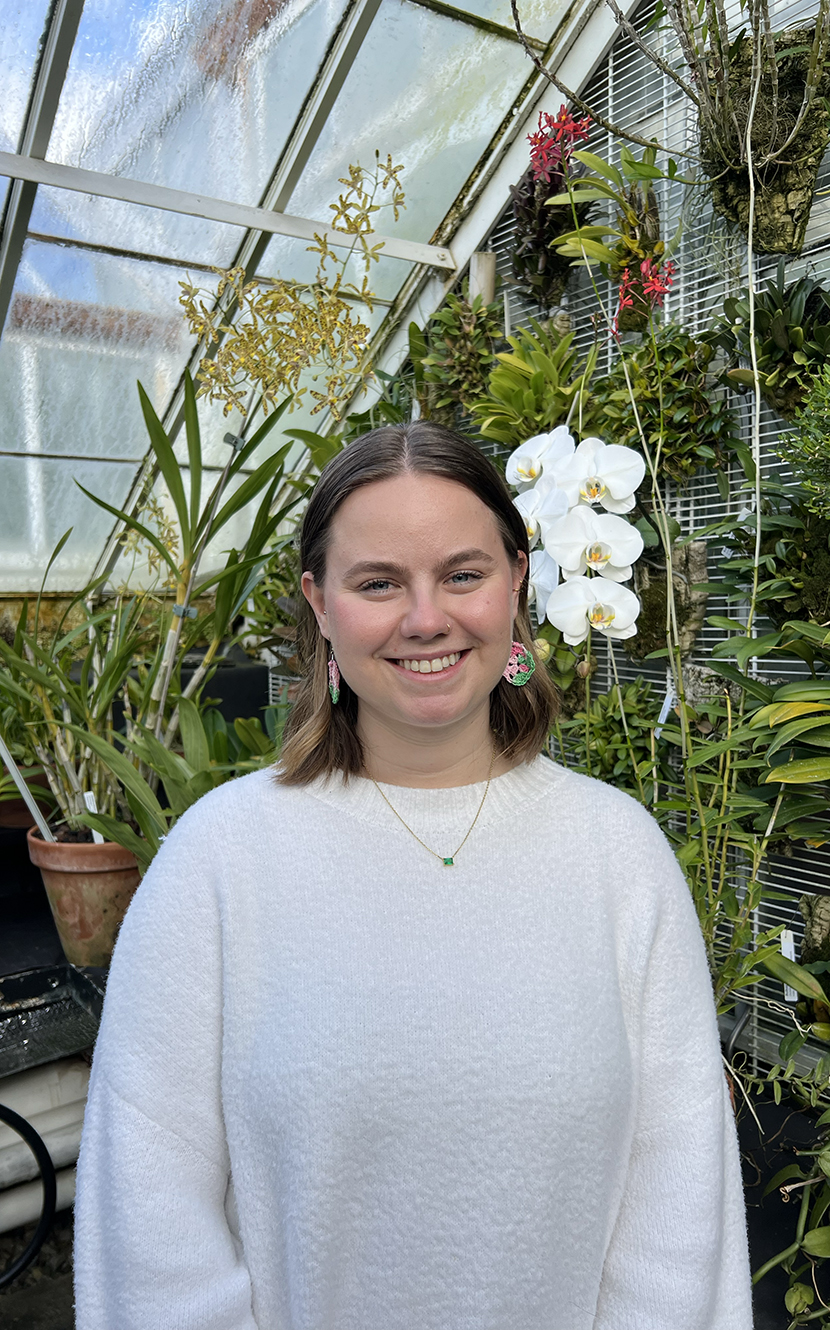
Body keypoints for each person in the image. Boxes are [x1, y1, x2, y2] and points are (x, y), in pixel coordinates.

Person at [73, 422, 753, 1329]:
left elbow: (677, 1206)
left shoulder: (618, 857)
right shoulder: (218, 863)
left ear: (516, 580)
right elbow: (150, 1221)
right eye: (378, 582)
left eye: (462, 574)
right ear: (320, 605)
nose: (426, 617)